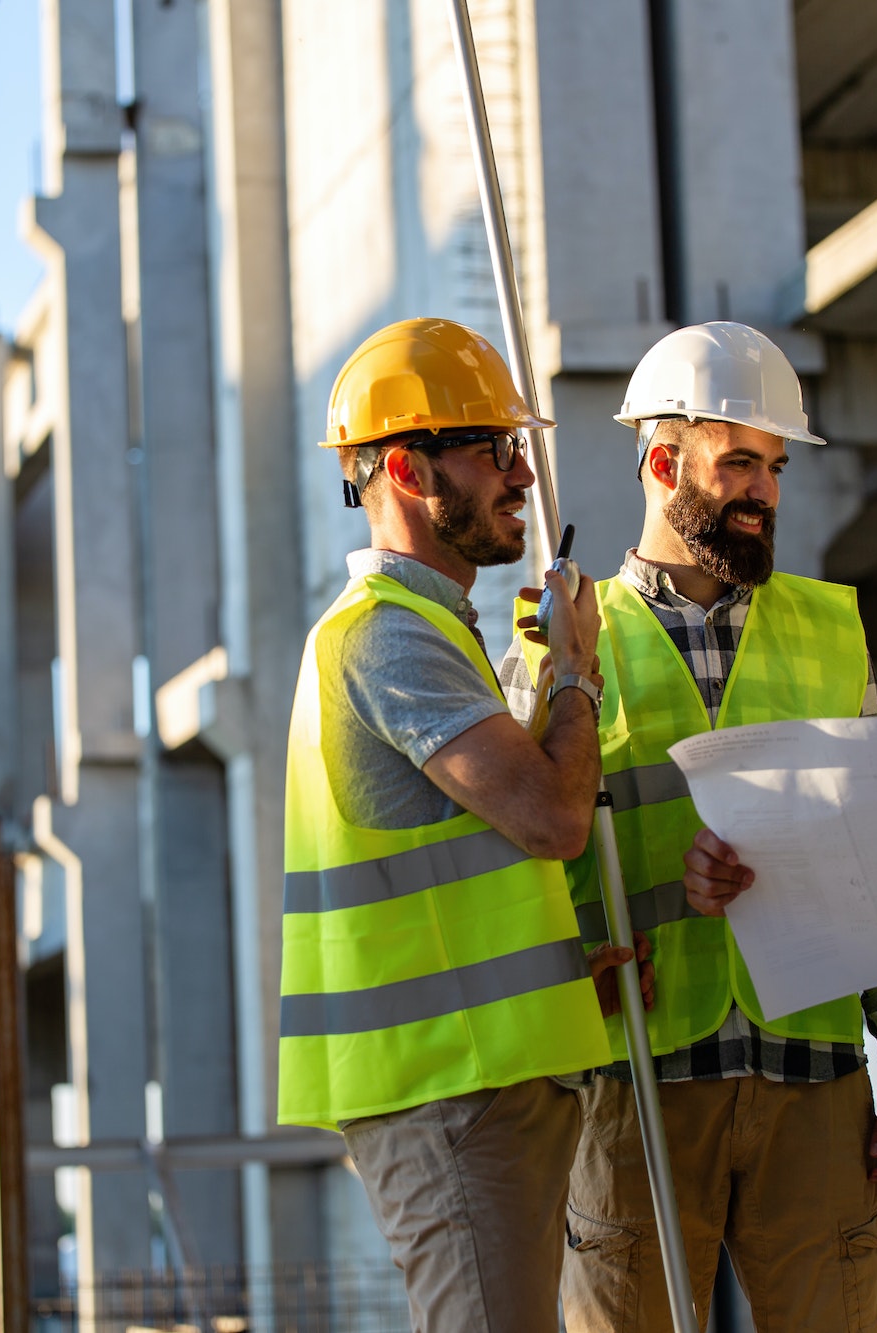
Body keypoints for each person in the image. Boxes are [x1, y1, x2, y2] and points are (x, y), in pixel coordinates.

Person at [501, 322, 877, 1333]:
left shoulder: (832, 630)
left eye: (774, 467)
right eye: (738, 461)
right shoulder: (555, 633)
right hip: (636, 1082)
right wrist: (568, 978)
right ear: (662, 464)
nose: (763, 492)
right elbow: (512, 862)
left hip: (815, 1078)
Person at [276, 316, 650, 1333]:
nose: (520, 474)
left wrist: (564, 980)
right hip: (450, 1096)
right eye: (492, 448)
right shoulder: (388, 636)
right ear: (404, 467)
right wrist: (571, 670)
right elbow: (550, 817)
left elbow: (463, 876)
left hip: (477, 1082)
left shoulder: (431, 630)